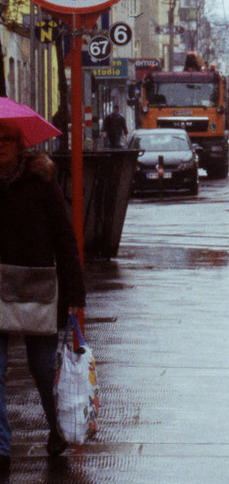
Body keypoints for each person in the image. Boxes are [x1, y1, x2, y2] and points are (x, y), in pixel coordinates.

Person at [0, 119, 87, 474]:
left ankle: (57, 428)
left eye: (6, 138)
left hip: (37, 288)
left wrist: (75, 292)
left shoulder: (41, 182)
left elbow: (64, 238)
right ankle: (2, 448)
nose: (0, 144)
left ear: (20, 144)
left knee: (42, 368)